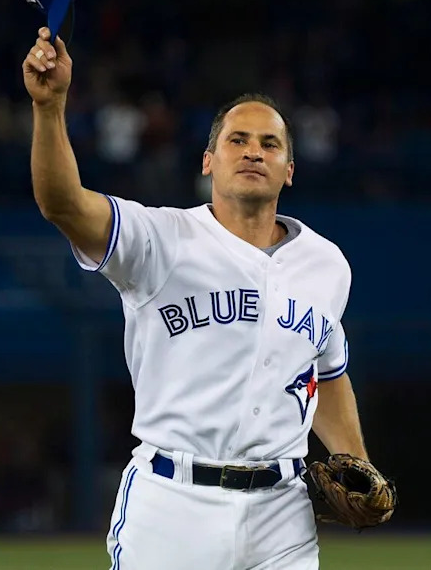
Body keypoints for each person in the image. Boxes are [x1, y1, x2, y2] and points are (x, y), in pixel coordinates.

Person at [23, 28, 377, 568]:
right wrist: (50, 109)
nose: (253, 151)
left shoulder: (327, 265)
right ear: (208, 160)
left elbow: (326, 373)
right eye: (237, 140)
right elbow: (63, 205)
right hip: (173, 503)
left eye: (269, 144)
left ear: (289, 171)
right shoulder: (158, 241)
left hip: (282, 511)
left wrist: (355, 459)